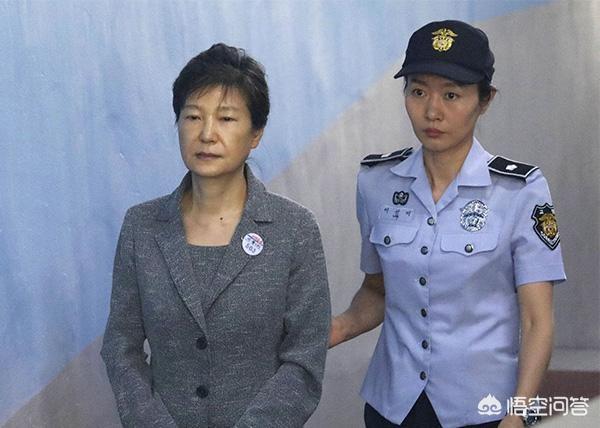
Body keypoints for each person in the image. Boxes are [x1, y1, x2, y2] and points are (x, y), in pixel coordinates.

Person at [329, 20, 565, 428]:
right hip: (393, 407)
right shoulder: (376, 183)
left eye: (451, 95)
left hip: (484, 409)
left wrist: (518, 414)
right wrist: (335, 329)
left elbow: (536, 321)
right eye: (418, 91)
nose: (432, 111)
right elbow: (378, 290)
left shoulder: (520, 191)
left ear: (485, 100)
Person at [101, 43, 331, 428]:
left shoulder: (294, 230)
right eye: (193, 117)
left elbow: (304, 359)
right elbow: (121, 347)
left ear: (256, 134)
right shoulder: (142, 227)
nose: (207, 134)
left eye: (226, 119)